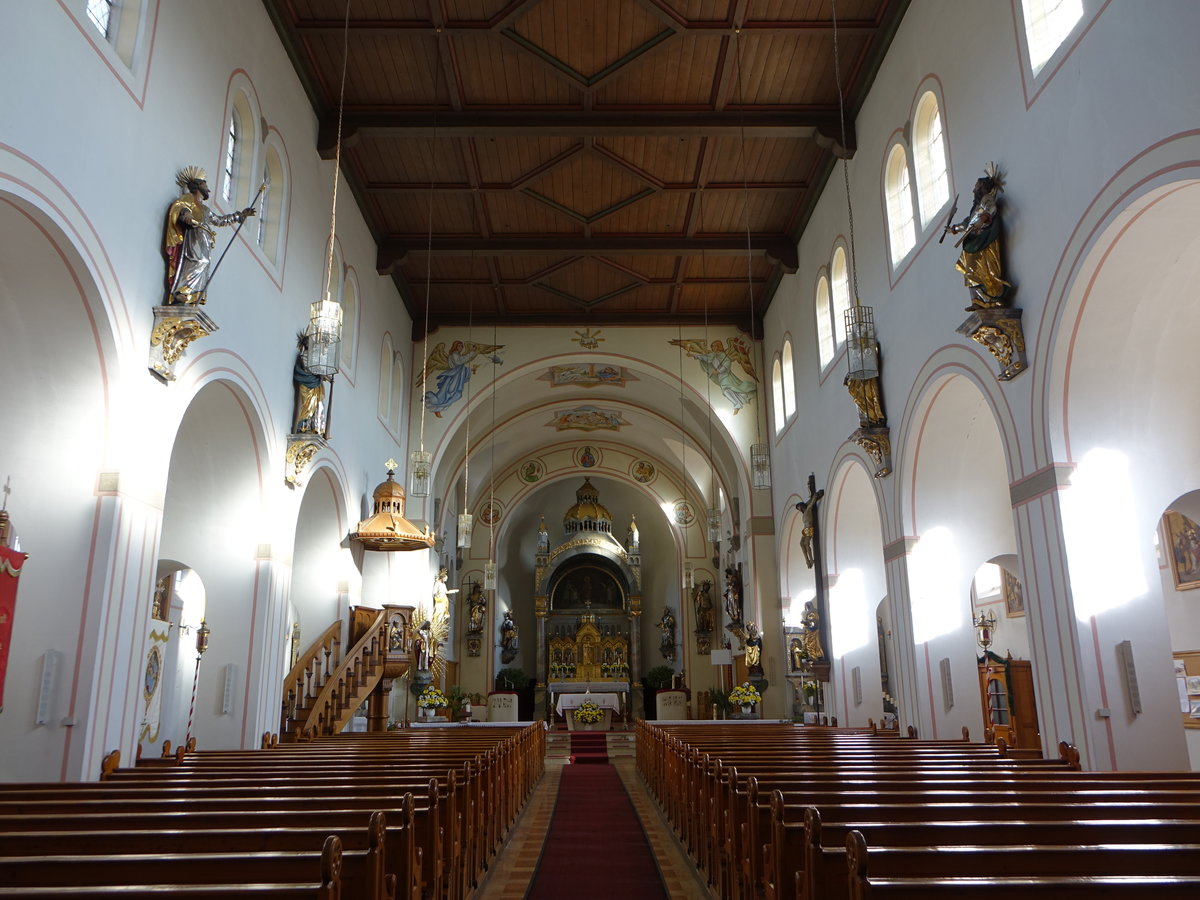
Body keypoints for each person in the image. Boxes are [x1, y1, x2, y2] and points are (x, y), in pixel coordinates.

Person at [162, 166, 256, 305]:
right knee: (196, 261)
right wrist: (185, 214)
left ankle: (191, 295)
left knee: (204, 263)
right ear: (198, 185)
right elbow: (181, 207)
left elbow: (219, 220)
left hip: (205, 239)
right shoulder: (188, 199)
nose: (209, 189)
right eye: (206, 185)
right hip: (194, 235)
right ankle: (182, 291)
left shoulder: (205, 209)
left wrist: (239, 215)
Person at [947, 163, 1012, 309]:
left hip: (983, 240)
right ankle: (977, 300)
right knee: (969, 269)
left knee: (984, 269)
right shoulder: (976, 207)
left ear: (983, 189)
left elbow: (990, 210)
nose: (973, 190)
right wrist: (954, 229)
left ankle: (991, 298)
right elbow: (968, 222)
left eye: (976, 187)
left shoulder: (986, 199)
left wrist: (985, 217)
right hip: (974, 241)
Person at [292, 334, 330, 434]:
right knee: (307, 405)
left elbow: (317, 368)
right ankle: (303, 426)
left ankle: (314, 426)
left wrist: (323, 375)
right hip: (307, 383)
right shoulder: (304, 355)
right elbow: (309, 368)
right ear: (306, 344)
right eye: (309, 342)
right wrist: (321, 374)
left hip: (315, 383)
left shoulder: (313, 357)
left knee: (317, 404)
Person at [795, 476, 824, 570]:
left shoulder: (808, 509)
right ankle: (807, 560)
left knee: (807, 543)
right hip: (805, 529)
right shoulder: (804, 513)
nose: (799, 509)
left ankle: (811, 560)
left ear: (802, 506)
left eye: (799, 507)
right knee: (801, 544)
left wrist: (815, 496)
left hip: (809, 528)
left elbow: (812, 502)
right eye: (798, 508)